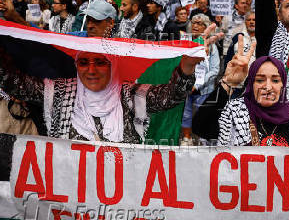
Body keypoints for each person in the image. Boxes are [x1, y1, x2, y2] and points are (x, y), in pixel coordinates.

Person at [0, 46, 204, 144]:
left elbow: (171, 96)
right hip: (70, 200)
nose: (91, 70)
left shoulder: (131, 95)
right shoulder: (59, 92)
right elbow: (15, 84)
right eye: (83, 62)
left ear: (113, 66)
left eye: (100, 62)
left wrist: (186, 69)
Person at [218, 56, 289, 147]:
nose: (268, 87)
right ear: (251, 83)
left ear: (283, 85)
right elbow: (204, 129)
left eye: (275, 81)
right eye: (260, 80)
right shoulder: (234, 111)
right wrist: (227, 83)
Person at [181, 14, 220, 145]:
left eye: (200, 23)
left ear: (206, 27)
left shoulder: (212, 46)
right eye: (194, 23)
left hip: (204, 89)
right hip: (185, 86)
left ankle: (202, 141)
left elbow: (215, 70)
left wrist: (197, 85)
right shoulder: (185, 42)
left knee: (202, 115)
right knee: (185, 114)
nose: (196, 26)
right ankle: (187, 139)